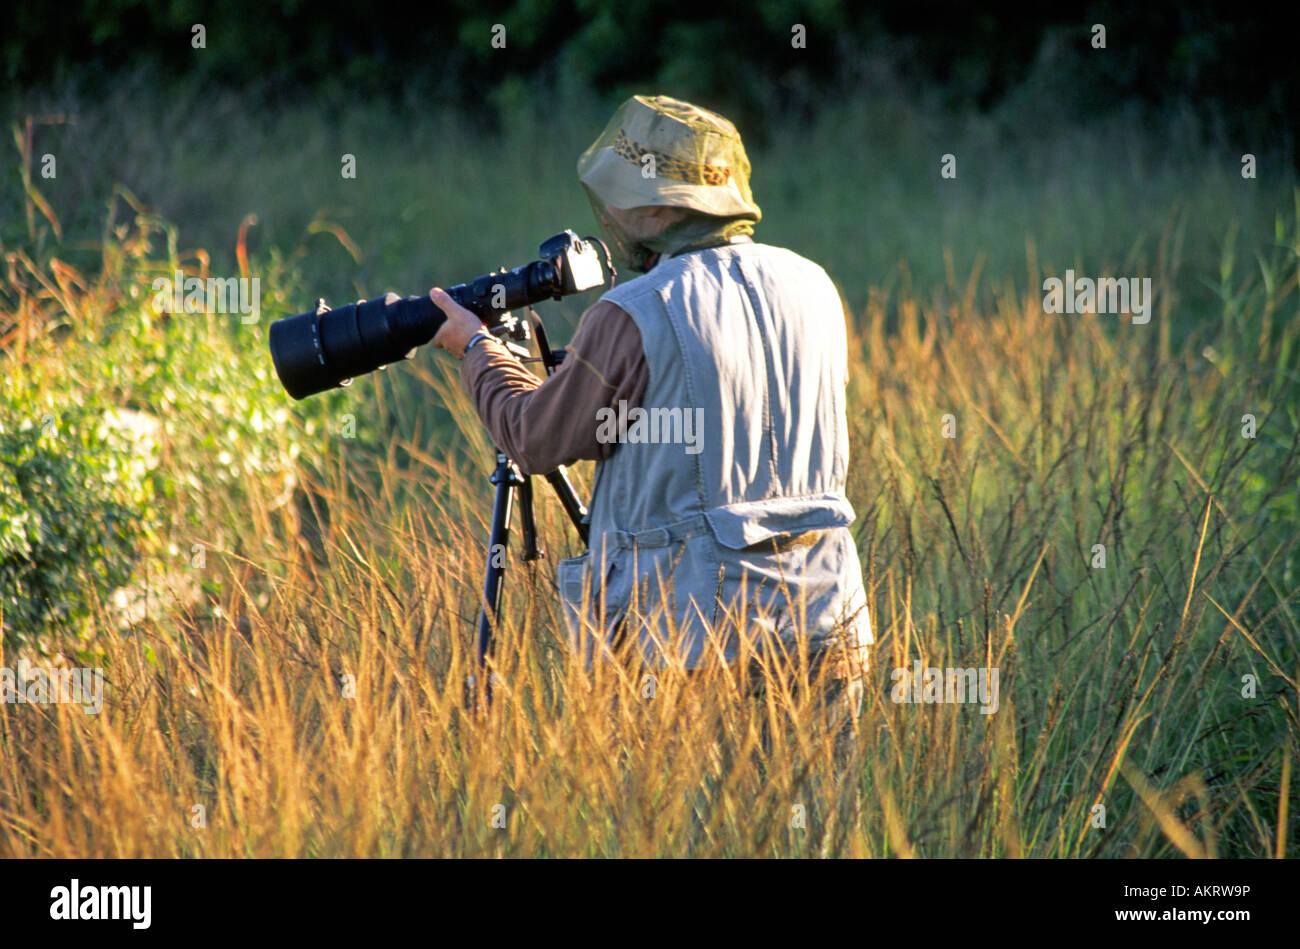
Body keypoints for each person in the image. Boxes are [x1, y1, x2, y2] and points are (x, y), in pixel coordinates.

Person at [430, 94, 869, 731]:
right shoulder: (812, 284)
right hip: (828, 621)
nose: (613, 215)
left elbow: (530, 436)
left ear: (664, 206)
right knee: (818, 827)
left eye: (626, 199)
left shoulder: (635, 309)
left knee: (691, 833)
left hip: (691, 636)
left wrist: (475, 348)